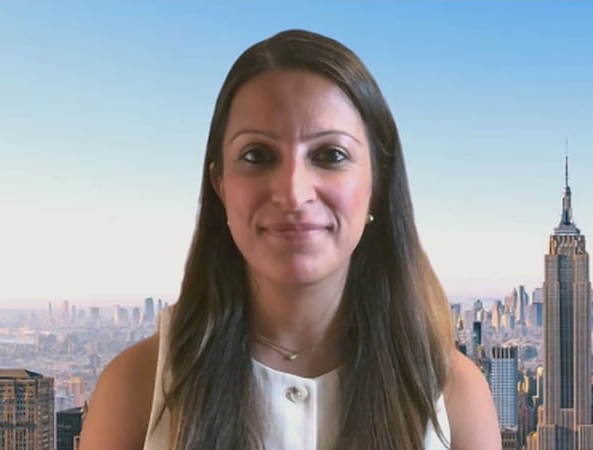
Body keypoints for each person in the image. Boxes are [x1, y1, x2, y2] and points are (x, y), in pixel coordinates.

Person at [79, 29, 500, 450]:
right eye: (257, 156)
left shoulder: (454, 394)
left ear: (378, 181)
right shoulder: (134, 389)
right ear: (220, 184)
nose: (294, 193)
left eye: (330, 155)